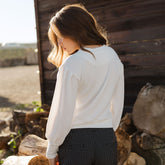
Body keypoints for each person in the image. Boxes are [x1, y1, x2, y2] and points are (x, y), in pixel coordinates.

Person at [45, 3, 124, 165]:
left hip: (76, 144)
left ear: (74, 31)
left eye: (61, 36)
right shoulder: (113, 57)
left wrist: (52, 148)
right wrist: (106, 130)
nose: (59, 43)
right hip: (107, 140)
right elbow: (117, 103)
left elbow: (62, 112)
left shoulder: (71, 63)